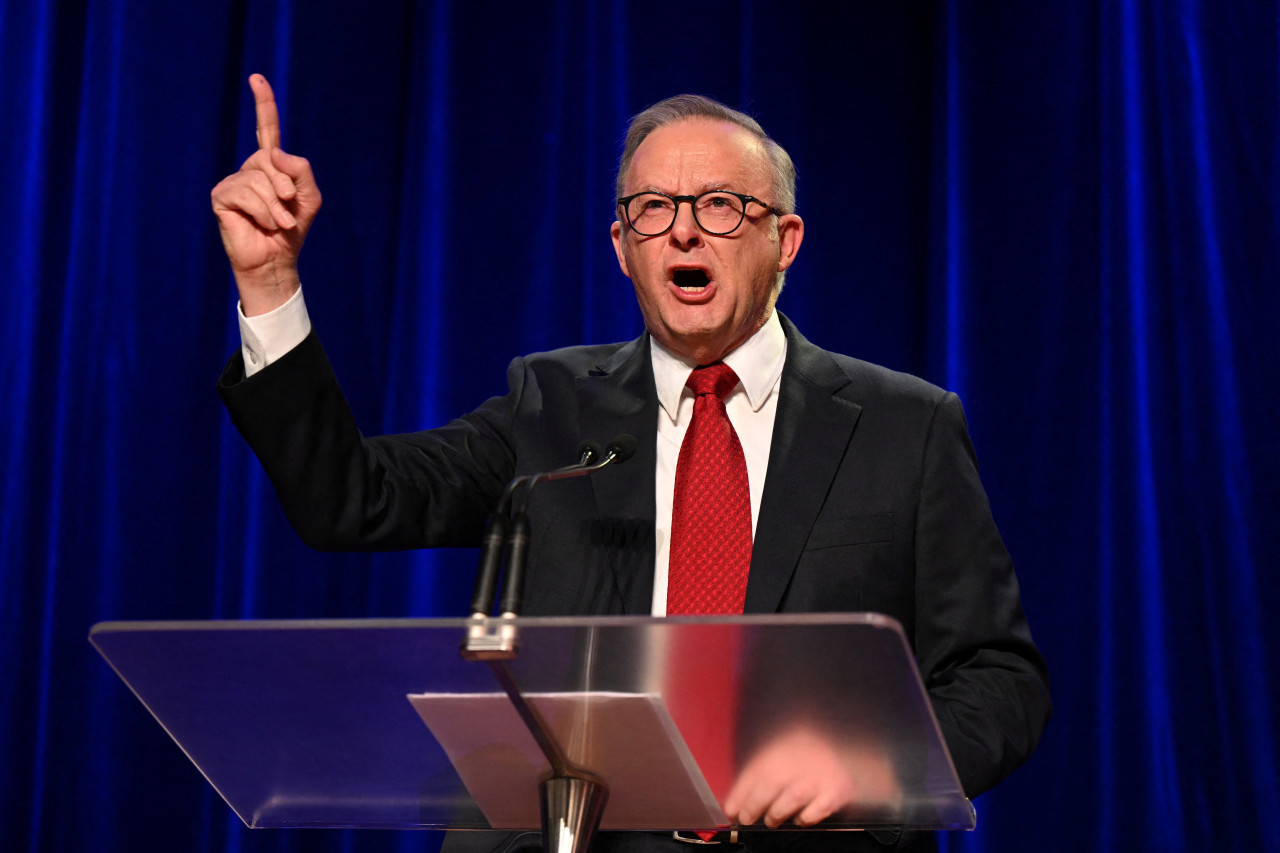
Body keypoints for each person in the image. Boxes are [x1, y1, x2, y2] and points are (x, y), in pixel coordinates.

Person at [213, 74, 1050, 852]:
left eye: (720, 204)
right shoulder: (550, 407)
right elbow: (350, 500)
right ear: (622, 245)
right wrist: (272, 281)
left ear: (783, 239)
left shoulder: (904, 427)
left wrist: (876, 761)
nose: (683, 228)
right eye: (653, 208)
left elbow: (998, 678)